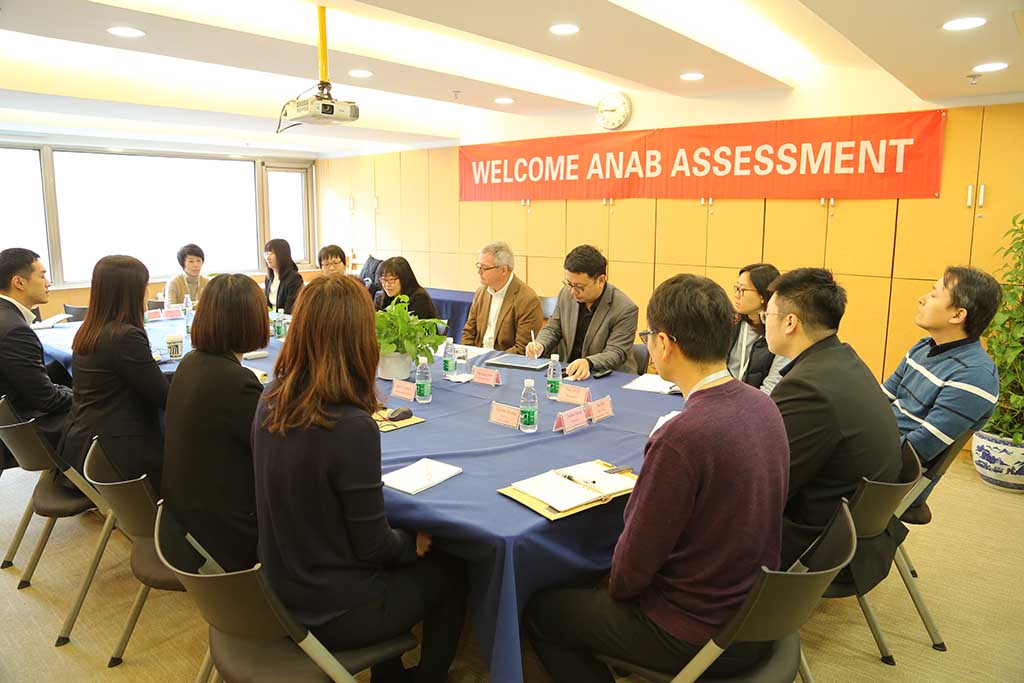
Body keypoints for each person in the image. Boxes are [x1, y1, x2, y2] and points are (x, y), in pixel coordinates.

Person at [525, 274, 789, 682]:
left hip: (695, 630)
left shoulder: (682, 436)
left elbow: (630, 571)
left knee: (540, 611)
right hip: (757, 611)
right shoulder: (764, 406)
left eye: (648, 337)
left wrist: (608, 587)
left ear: (663, 343)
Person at [252, 275, 466, 683]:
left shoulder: (272, 396)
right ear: (360, 340)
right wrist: (413, 544)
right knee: (453, 567)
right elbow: (374, 547)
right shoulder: (350, 426)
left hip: (279, 590)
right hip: (336, 610)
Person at [764, 268, 903, 576]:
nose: (764, 324)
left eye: (767, 315)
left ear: (790, 322)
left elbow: (766, 483)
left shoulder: (807, 387)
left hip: (820, 543)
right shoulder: (841, 359)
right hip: (854, 528)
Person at [162, 274, 269, 571]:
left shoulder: (190, 362)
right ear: (252, 321)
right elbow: (277, 454)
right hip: (226, 535)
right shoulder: (236, 382)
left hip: (184, 523)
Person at [882, 266, 1001, 524]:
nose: (922, 299)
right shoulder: (924, 347)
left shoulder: (975, 376)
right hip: (877, 450)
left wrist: (855, 448)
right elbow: (879, 401)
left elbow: (916, 451)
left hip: (891, 478)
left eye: (934, 294)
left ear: (958, 315)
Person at [59, 256, 169, 489]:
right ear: (132, 292)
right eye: (145, 286)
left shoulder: (90, 330)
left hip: (82, 444)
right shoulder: (124, 337)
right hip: (115, 456)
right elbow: (164, 397)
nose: (147, 292)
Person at [0, 248, 73, 463]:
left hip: (11, 415)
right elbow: (46, 400)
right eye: (42, 276)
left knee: (60, 371)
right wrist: (84, 398)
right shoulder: (14, 329)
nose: (48, 283)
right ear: (19, 282)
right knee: (106, 415)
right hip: (20, 429)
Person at [525, 245, 638, 379]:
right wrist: (540, 344)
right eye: (569, 284)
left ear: (601, 280)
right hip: (570, 373)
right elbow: (553, 328)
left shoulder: (625, 309)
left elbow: (616, 352)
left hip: (607, 376)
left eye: (579, 286)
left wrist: (588, 362)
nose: (573, 291)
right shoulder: (566, 294)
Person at [461, 241, 543, 353]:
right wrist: (467, 354)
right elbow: (469, 332)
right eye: (479, 266)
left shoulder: (527, 299)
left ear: (503, 270)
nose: (479, 272)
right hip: (478, 357)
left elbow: (522, 348)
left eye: (484, 268)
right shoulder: (481, 292)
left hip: (504, 360)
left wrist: (489, 360)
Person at [729, 263, 788, 394]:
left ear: (762, 295)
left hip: (758, 401)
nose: (737, 295)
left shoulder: (781, 333)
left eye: (742, 290)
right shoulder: (731, 323)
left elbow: (772, 385)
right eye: (736, 288)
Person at [373, 257, 439, 321]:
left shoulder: (419, 299)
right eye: (384, 280)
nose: (387, 285)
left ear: (404, 279)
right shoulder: (381, 299)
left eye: (391, 280)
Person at [263, 238, 303, 314]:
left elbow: (290, 309)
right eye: (266, 254)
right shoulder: (268, 278)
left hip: (285, 319)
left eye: (271, 254)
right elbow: (267, 306)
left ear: (281, 255)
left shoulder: (294, 278)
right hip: (271, 319)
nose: (267, 257)